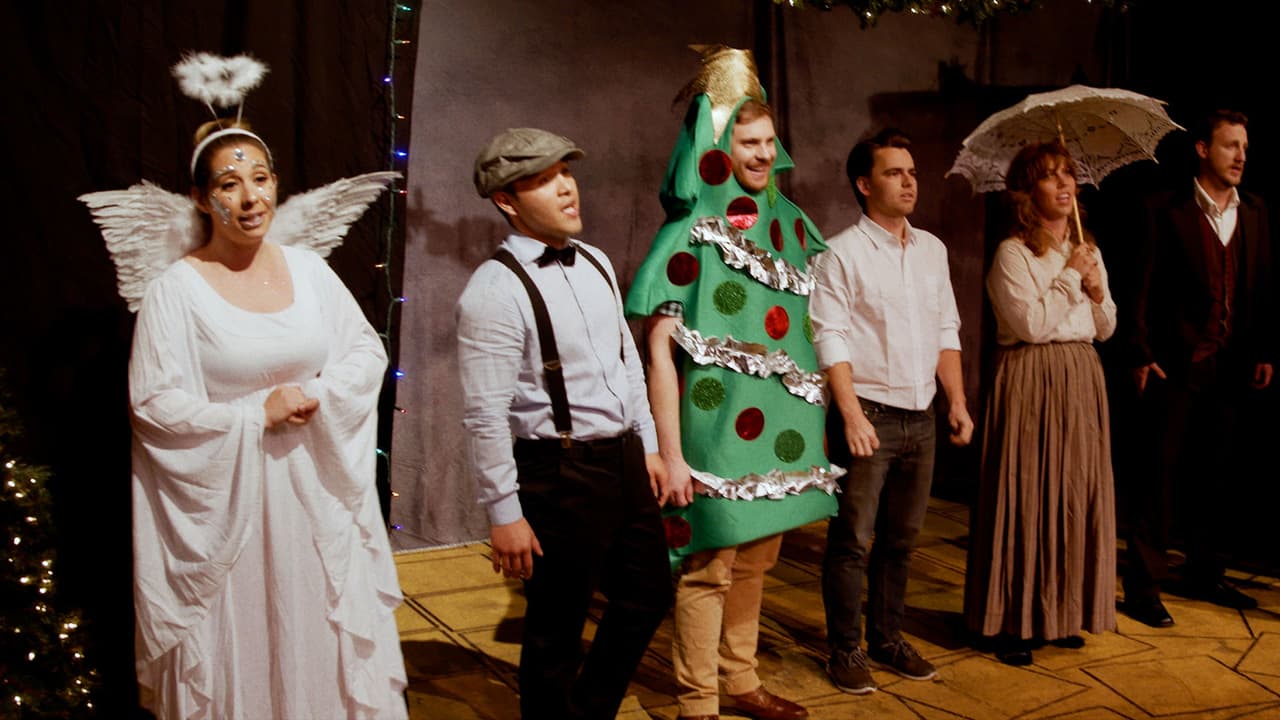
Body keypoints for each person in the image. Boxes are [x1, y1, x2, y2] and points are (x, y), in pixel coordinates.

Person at [122, 115, 408, 716]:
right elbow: (152, 404)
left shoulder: (309, 271)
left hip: (314, 499)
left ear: (276, 183)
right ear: (201, 198)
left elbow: (365, 351)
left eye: (260, 178)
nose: (250, 197)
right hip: (230, 513)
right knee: (250, 640)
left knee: (317, 631)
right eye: (229, 185)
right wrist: (256, 414)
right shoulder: (176, 291)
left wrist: (320, 394)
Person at [625, 46, 840, 720]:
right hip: (712, 432)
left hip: (776, 428)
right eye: (749, 142)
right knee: (710, 567)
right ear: (718, 146)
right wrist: (670, 453)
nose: (763, 154)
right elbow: (658, 355)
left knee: (757, 559)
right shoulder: (689, 234)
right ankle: (699, 703)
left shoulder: (787, 225)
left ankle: (740, 680)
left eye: (770, 142)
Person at [456, 127, 674, 719]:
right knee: (556, 628)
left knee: (648, 594)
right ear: (506, 200)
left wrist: (648, 445)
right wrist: (504, 513)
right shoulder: (494, 291)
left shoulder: (596, 260)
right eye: (543, 180)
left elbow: (626, 362)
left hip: (622, 458)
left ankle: (588, 711)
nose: (566, 188)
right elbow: (484, 414)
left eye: (566, 173)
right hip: (559, 471)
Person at [809, 127, 973, 694]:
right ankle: (845, 649)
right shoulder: (839, 253)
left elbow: (946, 328)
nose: (909, 182)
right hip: (869, 415)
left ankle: (887, 637)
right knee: (852, 541)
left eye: (912, 172)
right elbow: (829, 336)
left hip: (921, 415)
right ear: (864, 184)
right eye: (894, 173)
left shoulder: (932, 250)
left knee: (901, 540)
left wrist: (957, 400)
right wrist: (850, 415)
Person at [963, 141, 1118, 665]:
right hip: (1032, 377)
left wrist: (1095, 290)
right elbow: (1030, 324)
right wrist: (1072, 276)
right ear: (1027, 192)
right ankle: (1012, 620)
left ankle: (1059, 614)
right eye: (1050, 176)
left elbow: (1106, 328)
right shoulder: (1013, 253)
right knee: (1028, 495)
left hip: (1080, 377)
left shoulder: (1087, 248)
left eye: (1068, 173)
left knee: (1072, 496)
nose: (1064, 183)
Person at [1122, 109, 1274, 627]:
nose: (1241, 157)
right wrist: (1140, 352)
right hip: (1176, 363)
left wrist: (1263, 350)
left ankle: (1205, 572)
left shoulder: (1254, 211)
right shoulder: (1164, 209)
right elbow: (1140, 287)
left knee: (1215, 475)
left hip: (1230, 366)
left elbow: (1261, 286)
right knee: (1158, 477)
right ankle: (1144, 585)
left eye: (1245, 147)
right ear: (1203, 150)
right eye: (1231, 146)